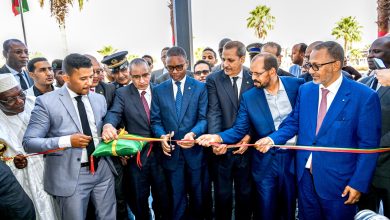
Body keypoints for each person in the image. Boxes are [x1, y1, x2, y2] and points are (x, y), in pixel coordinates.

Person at [256, 41, 381, 220]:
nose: (311, 70)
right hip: (304, 176)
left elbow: (368, 146)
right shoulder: (306, 90)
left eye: (316, 65)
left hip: (340, 182)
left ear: (336, 64)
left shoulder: (364, 96)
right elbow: (293, 122)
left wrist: (359, 183)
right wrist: (272, 139)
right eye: (309, 65)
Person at [198, 52, 304, 220]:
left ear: (272, 72)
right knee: (266, 211)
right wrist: (217, 137)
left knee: (289, 208)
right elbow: (239, 129)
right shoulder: (250, 97)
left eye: (257, 73)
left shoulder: (298, 86)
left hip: (293, 158)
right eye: (252, 73)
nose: (252, 77)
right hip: (266, 161)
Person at [23, 53, 117, 220]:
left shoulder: (98, 99)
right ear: (66, 77)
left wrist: (108, 127)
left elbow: (102, 125)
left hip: (103, 170)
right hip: (71, 175)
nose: (90, 82)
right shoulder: (46, 102)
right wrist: (67, 141)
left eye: (91, 76)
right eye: (83, 79)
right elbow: (29, 142)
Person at [103, 58, 171, 220]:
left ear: (151, 70)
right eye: (136, 77)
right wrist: (108, 126)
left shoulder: (161, 91)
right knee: (140, 201)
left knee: (163, 199)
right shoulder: (122, 94)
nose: (141, 81)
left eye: (145, 75)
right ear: (130, 75)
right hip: (137, 158)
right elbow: (114, 113)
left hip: (163, 155)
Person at [150, 46, 208, 220]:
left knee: (199, 199)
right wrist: (161, 136)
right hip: (172, 156)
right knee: (176, 200)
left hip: (195, 154)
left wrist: (193, 134)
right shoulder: (159, 90)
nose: (175, 72)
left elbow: (203, 118)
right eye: (170, 68)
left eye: (179, 67)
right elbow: (156, 120)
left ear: (187, 63)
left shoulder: (199, 87)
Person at [205, 40, 254, 220]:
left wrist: (249, 136)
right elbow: (214, 112)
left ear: (242, 58)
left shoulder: (253, 76)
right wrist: (217, 141)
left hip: (248, 148)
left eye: (231, 60)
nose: (225, 64)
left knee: (245, 195)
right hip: (222, 149)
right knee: (222, 196)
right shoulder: (213, 79)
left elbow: (258, 112)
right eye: (223, 59)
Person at [0, 73, 58, 220]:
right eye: (10, 100)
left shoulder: (36, 103)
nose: (20, 102)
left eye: (21, 94)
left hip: (50, 169)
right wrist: (11, 162)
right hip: (21, 181)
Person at [359, 36, 390, 217]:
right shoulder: (363, 83)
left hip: (386, 168)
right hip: (364, 171)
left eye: (376, 51)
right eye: (369, 51)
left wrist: (372, 148)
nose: (370, 56)